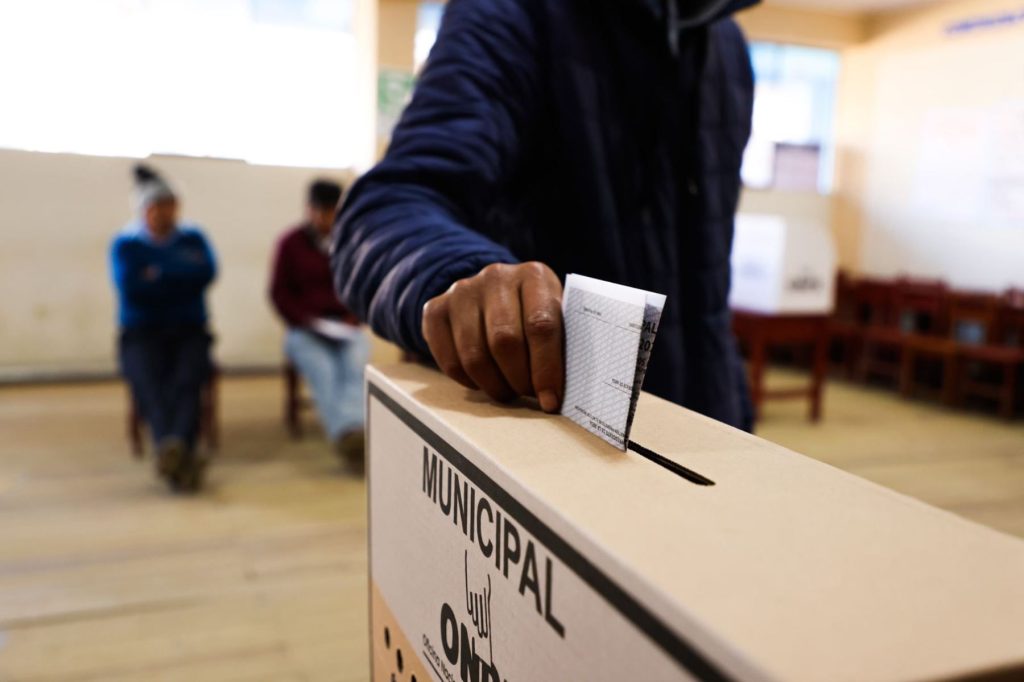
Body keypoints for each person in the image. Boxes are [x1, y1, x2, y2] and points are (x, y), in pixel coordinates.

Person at [332, 0, 757, 430]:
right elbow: (390, 205)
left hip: (705, 423)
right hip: (554, 423)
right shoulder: (509, 12)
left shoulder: (727, 44)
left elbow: (707, 280)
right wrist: (467, 280)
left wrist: (735, 412)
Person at [111, 165, 217, 492]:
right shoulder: (126, 245)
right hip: (141, 333)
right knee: (150, 382)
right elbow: (132, 289)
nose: (164, 212)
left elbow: (206, 274)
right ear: (144, 210)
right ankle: (177, 448)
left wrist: (157, 274)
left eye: (170, 205)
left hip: (189, 330)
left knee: (188, 378)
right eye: (157, 206)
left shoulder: (194, 237)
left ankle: (173, 449)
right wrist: (180, 274)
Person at [270, 180, 368, 467]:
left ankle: (353, 429)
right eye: (322, 211)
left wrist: (354, 316)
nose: (327, 218)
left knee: (355, 365)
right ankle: (348, 434)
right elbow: (279, 294)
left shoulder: (350, 243)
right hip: (305, 329)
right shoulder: (290, 243)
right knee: (324, 370)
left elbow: (361, 288)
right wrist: (305, 320)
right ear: (309, 210)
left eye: (333, 212)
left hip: (345, 326)